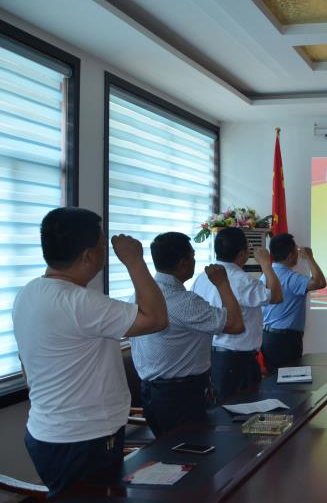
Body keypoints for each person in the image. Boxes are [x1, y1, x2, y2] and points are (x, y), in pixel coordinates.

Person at [13, 207, 168, 496]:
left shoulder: (28, 293)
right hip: (82, 439)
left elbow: (26, 361)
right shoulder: (81, 302)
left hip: (47, 432)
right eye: (102, 245)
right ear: (87, 256)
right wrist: (135, 261)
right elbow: (157, 319)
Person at [132, 232, 245, 437]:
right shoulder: (183, 302)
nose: (194, 261)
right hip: (181, 396)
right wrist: (222, 284)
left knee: (170, 452)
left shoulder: (138, 294)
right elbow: (236, 324)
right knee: (192, 451)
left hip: (151, 393)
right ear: (183, 263)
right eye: (193, 257)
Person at [192, 227, 282, 402]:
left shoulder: (201, 277)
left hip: (211, 356)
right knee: (242, 409)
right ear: (242, 254)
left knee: (220, 410)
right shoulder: (243, 280)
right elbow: (277, 296)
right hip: (237, 360)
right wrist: (266, 264)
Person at [261, 233, 327, 372]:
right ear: (290, 255)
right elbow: (320, 282)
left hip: (268, 337)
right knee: (289, 381)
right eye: (296, 250)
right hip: (285, 341)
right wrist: (309, 257)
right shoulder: (291, 278)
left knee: (274, 379)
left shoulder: (265, 275)